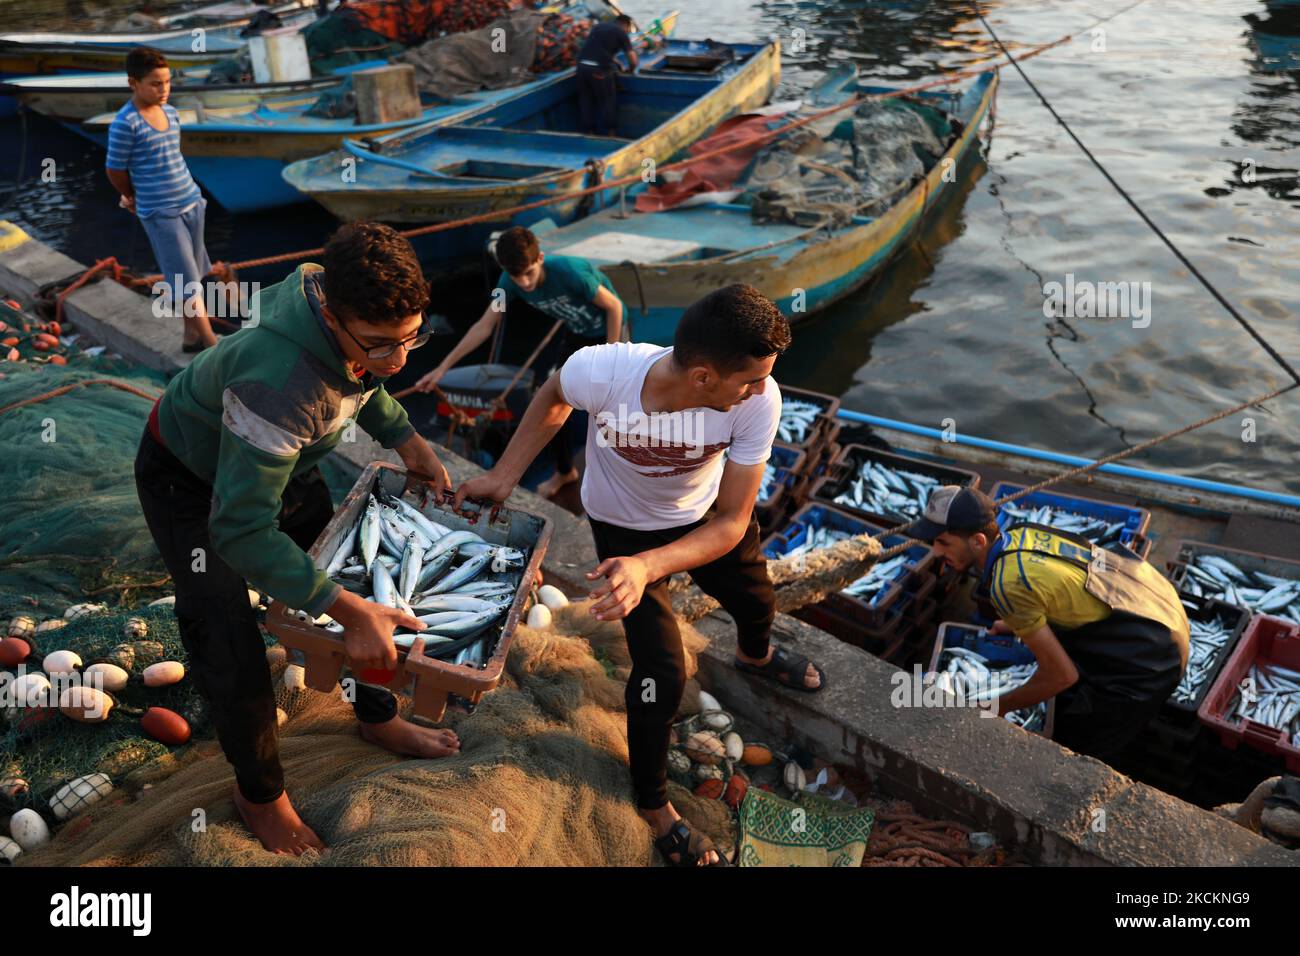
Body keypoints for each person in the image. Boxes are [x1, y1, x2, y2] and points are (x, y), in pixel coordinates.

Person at [452, 284, 826, 867]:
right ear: (703, 378)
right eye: (750, 378)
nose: (761, 389)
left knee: (756, 599)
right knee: (662, 673)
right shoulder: (605, 371)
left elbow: (732, 522)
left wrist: (650, 567)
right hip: (621, 529)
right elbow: (554, 393)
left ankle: (755, 655)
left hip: (703, 523)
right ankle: (653, 804)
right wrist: (505, 475)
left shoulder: (760, 401)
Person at [134, 222, 457, 856]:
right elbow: (238, 527)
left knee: (361, 577)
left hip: (287, 458)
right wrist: (340, 607)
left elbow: (366, 386)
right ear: (332, 319)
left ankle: (376, 716)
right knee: (226, 634)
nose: (397, 360)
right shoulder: (279, 387)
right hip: (191, 484)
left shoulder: (329, 293)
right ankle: (259, 795)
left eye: (412, 339)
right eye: (379, 344)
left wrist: (409, 442)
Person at [914, 486, 1190, 764]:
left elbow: (1063, 676)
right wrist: (1014, 624)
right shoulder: (1021, 533)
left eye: (943, 542)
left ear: (977, 541)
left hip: (1154, 656)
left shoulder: (1007, 585)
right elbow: (1058, 593)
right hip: (1159, 603)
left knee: (1081, 749)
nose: (936, 551)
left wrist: (995, 707)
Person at [414, 225, 625, 498]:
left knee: (611, 405)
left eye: (528, 273)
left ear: (540, 259)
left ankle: (617, 480)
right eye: (516, 275)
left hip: (610, 333)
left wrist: (612, 355)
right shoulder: (507, 284)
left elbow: (614, 307)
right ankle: (565, 472)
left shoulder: (571, 272)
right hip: (577, 333)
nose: (524, 282)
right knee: (550, 401)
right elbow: (484, 326)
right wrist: (442, 369)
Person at [105, 46, 219, 353]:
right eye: (156, 83)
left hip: (191, 201)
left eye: (167, 82)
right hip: (160, 210)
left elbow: (171, 156)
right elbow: (114, 168)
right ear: (133, 83)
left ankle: (190, 337)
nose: (164, 89)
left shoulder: (170, 112)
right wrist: (130, 195)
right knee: (186, 280)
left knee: (191, 274)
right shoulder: (125, 123)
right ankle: (213, 346)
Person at [575, 13, 638, 136]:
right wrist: (631, 69)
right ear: (626, 25)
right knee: (607, 101)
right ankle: (611, 134)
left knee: (586, 101)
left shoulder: (599, 27)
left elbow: (595, 48)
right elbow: (632, 57)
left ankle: (589, 134)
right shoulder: (621, 32)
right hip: (598, 70)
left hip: (581, 67)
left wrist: (614, 60)